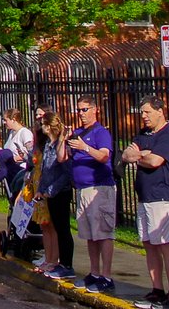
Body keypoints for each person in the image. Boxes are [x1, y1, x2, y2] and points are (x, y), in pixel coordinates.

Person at [124, 96, 169, 308]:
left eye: (147, 112)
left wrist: (139, 156)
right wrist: (142, 154)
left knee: (164, 245)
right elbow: (126, 154)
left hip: (163, 196)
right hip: (144, 195)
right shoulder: (143, 134)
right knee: (149, 244)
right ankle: (157, 288)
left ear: (160, 111)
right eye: (142, 112)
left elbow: (156, 161)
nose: (144, 116)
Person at [68, 97, 117, 292]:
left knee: (103, 233)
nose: (81, 113)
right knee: (90, 235)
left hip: (99, 189)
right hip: (82, 189)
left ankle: (106, 275)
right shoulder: (78, 133)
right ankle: (94, 272)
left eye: (85, 109)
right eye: (79, 110)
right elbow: (65, 157)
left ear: (95, 110)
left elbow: (104, 156)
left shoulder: (100, 132)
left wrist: (85, 148)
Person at [35, 108, 77, 280]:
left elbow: (66, 172)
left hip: (60, 192)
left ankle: (66, 263)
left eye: (44, 124)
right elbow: (46, 170)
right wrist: (41, 189)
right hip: (48, 192)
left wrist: (52, 190)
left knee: (63, 229)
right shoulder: (48, 145)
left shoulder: (62, 144)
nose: (42, 127)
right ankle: (54, 261)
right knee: (52, 226)